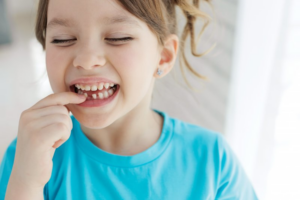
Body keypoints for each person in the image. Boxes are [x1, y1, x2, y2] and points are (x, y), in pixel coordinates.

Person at [0, 0, 259, 199]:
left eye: (118, 38)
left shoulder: (213, 160)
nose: (87, 60)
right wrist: (26, 182)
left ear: (164, 57)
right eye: (62, 39)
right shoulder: (29, 155)